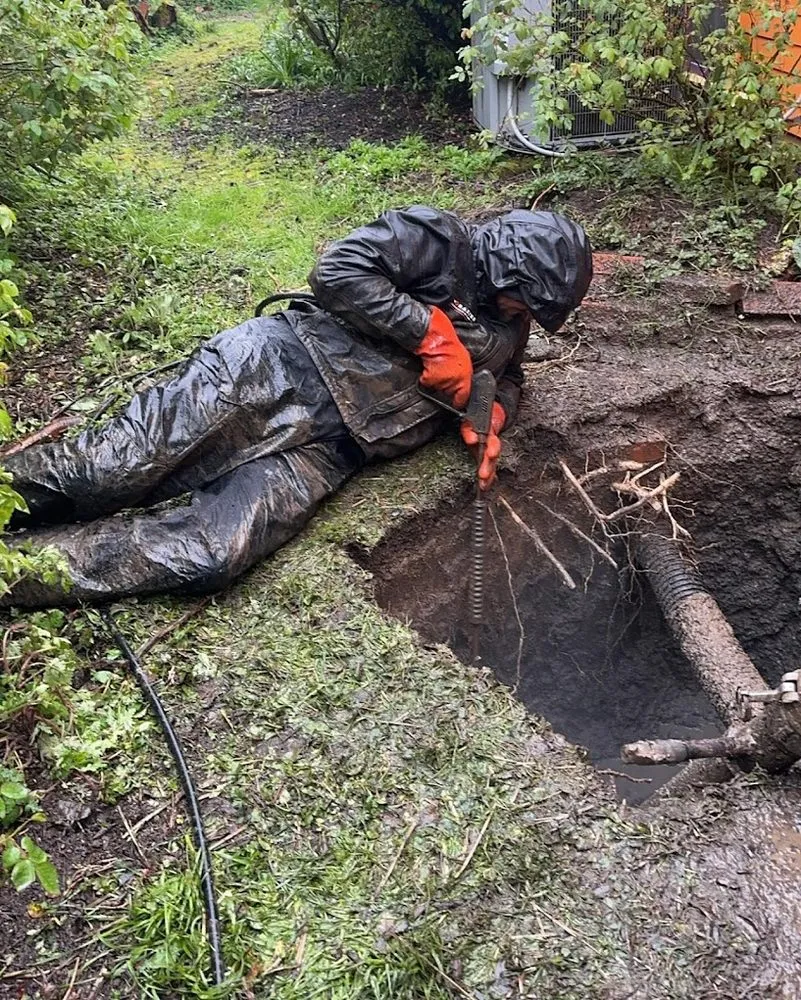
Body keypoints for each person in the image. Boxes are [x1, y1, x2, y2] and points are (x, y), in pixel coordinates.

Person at [0, 205, 592, 607]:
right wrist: (428, 333)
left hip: (330, 451)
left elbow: (510, 379)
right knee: (110, 470)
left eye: (532, 314)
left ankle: (19, 574)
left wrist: (493, 412)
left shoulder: (511, 329)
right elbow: (337, 269)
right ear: (508, 266)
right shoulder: (441, 242)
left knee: (212, 552)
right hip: (271, 369)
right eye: (524, 302)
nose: (523, 317)